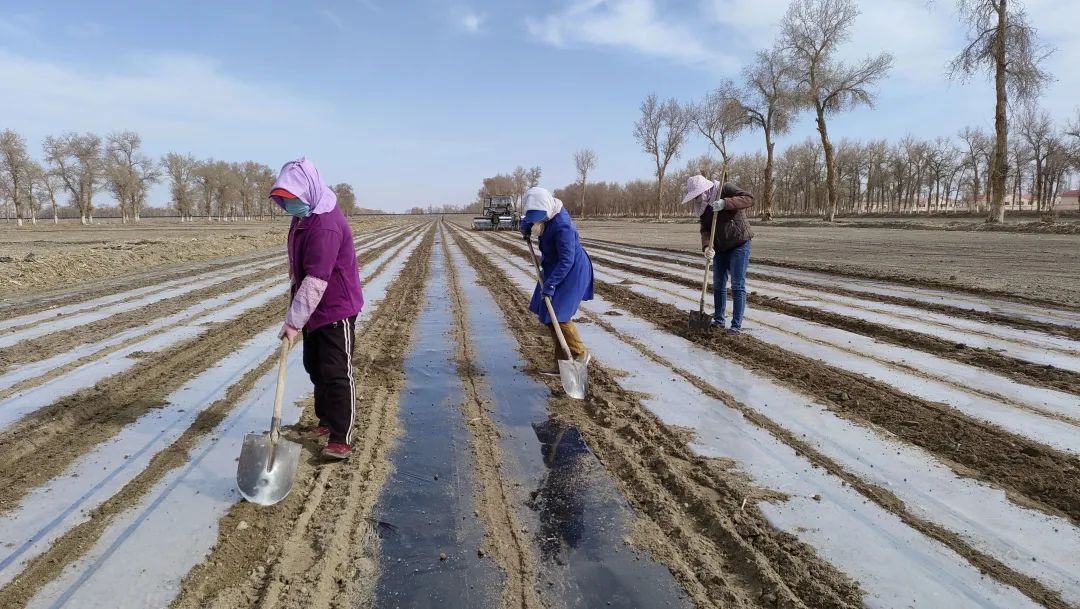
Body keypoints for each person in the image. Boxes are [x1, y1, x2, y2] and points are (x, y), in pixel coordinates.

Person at [271, 157, 364, 460]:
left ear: (307, 191)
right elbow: (300, 272)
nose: (288, 207)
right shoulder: (304, 216)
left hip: (335, 307)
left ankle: (341, 437)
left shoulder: (325, 225)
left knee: (336, 372)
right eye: (283, 201)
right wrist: (296, 316)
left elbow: (316, 280)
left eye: (291, 200)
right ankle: (326, 422)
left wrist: (293, 322)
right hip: (313, 308)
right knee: (316, 367)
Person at [519, 187, 594, 375]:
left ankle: (580, 352)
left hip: (571, 270)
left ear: (548, 209)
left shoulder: (563, 226)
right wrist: (528, 226)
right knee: (548, 316)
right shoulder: (545, 215)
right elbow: (534, 222)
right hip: (554, 267)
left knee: (559, 315)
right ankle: (561, 364)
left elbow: (567, 260)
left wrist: (551, 284)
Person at [681, 174, 754, 334]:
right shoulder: (701, 207)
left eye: (699, 194)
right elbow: (705, 230)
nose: (698, 198)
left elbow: (749, 199)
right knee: (719, 284)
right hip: (720, 247)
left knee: (737, 285)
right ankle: (719, 321)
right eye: (696, 196)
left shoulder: (724, 188)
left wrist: (725, 203)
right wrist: (707, 247)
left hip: (739, 243)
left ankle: (735, 325)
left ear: (706, 188)